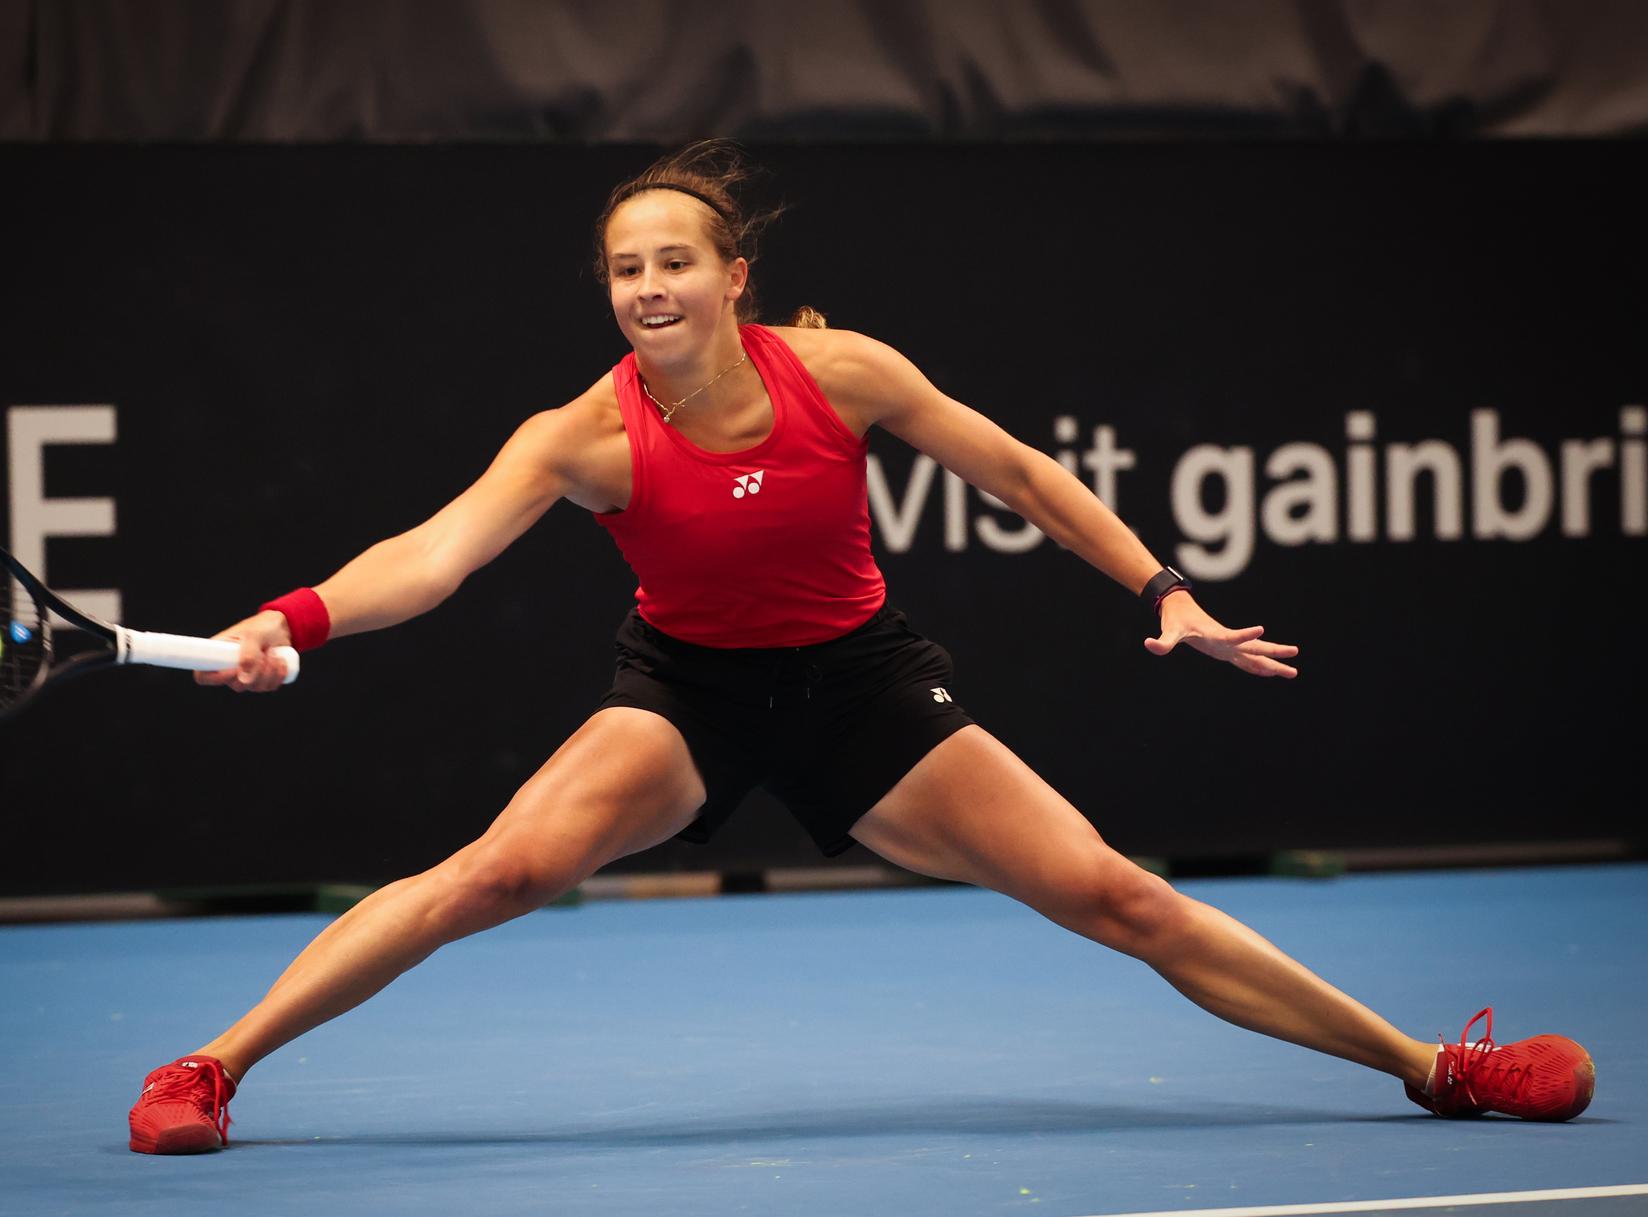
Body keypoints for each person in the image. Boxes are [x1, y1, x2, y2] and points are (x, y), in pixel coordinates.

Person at [126, 142, 1594, 1154]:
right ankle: (210, 1066)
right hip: (687, 696)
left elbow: (1021, 474)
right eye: (626, 269)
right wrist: (291, 619)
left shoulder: (842, 374)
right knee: (490, 874)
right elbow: (430, 558)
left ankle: (1435, 1067)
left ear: (733, 276)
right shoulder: (580, 437)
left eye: (675, 261)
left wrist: (1165, 588)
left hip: (865, 689)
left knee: (1118, 894)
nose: (648, 287)